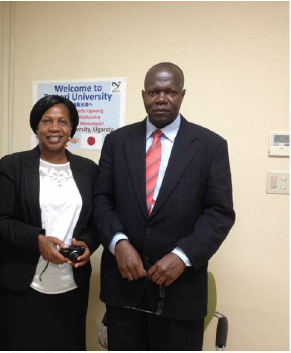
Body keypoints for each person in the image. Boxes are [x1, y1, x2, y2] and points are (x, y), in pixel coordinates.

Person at [93, 62, 235, 351]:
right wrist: (118, 243)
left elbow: (219, 212)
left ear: (182, 94)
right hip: (125, 290)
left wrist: (183, 256)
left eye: (170, 91)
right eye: (154, 92)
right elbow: (101, 199)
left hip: (180, 294)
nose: (161, 98)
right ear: (143, 95)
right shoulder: (117, 141)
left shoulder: (210, 145)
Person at [0, 95, 100, 350]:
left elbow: (97, 220)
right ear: (36, 127)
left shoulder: (89, 170)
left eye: (62, 121)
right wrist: (37, 241)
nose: (55, 128)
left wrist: (89, 243)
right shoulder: (13, 165)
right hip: (20, 284)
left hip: (71, 285)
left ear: (72, 128)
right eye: (47, 121)